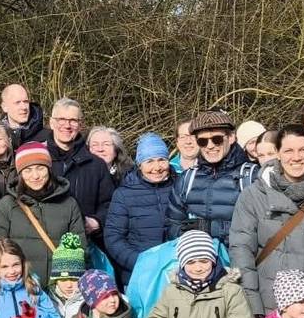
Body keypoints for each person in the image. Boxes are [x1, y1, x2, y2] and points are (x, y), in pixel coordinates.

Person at [230, 124, 304, 318]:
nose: (296, 157)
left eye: (303, 150)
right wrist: (254, 308)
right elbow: (242, 254)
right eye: (288, 150)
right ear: (277, 153)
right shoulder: (253, 196)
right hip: (273, 312)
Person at [0, 142, 87, 288]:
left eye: (40, 168)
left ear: (49, 169)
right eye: (28, 170)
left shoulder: (69, 204)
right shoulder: (7, 206)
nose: (35, 176)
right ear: (20, 174)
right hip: (21, 289)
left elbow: (81, 248)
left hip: (60, 290)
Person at [165, 109, 257, 243]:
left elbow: (261, 228)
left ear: (231, 137)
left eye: (217, 139)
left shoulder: (251, 176)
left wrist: (212, 228)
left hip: (237, 261)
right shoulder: (187, 179)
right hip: (197, 260)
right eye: (203, 141)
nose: (210, 146)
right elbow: (171, 226)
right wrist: (189, 234)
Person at [104, 132, 175, 288]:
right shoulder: (124, 194)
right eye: (149, 161)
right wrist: (142, 262)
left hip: (177, 273)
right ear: (139, 164)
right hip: (139, 275)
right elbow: (113, 238)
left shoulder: (180, 188)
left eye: (162, 160)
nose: (157, 167)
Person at [43, 99, 115, 240]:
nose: (67, 125)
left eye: (73, 120)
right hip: (42, 242)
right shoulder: (38, 161)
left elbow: (110, 203)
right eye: (61, 119)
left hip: (84, 243)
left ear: (80, 125)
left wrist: (97, 221)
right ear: (51, 123)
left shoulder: (96, 165)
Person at [0, 83, 44, 151]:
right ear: (5, 107)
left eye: (26, 102)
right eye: (17, 102)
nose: (23, 107)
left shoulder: (47, 138)